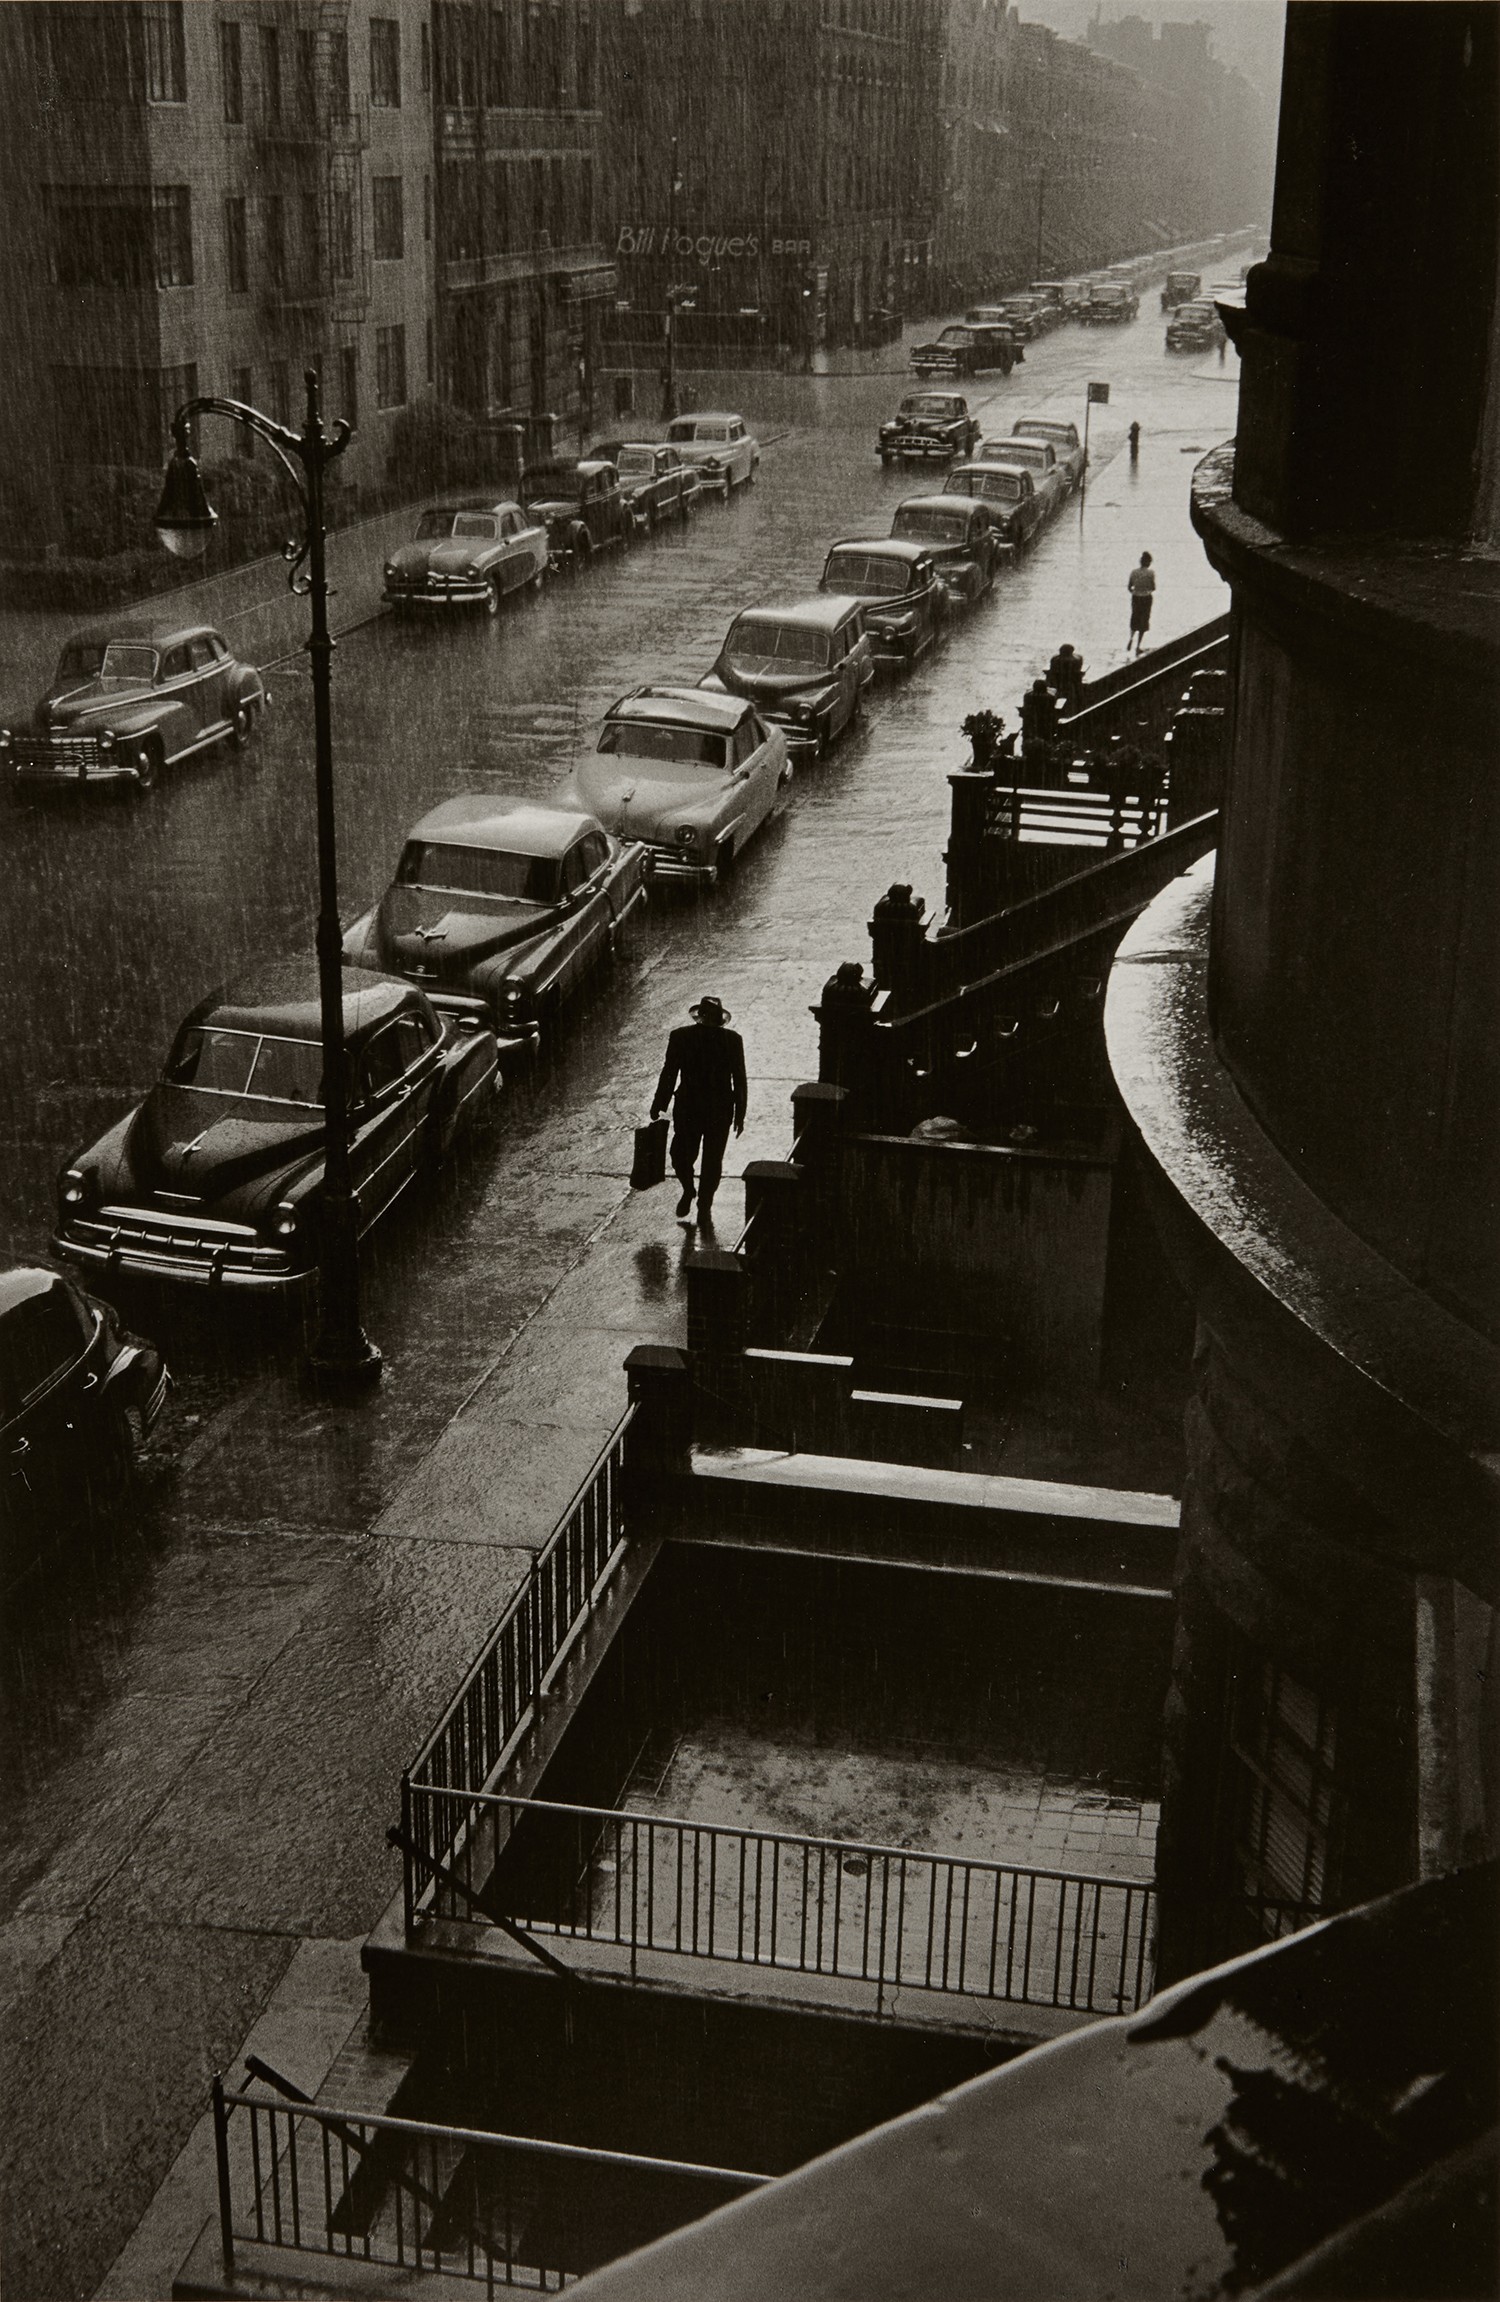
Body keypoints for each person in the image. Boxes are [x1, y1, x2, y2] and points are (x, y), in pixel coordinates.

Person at [651, 995, 747, 1227]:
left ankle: (699, 1199)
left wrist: (659, 1103)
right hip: (717, 1109)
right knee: (704, 1159)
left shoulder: (682, 1037)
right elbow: (740, 1080)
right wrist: (740, 1112)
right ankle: (697, 1196)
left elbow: (669, 1073)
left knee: (686, 1156)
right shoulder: (731, 1040)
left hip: (692, 1108)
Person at [1126, 551, 1156, 656]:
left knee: (1134, 617)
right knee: (1143, 621)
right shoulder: (1151, 573)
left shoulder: (1134, 572)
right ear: (1148, 562)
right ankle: (1138, 646)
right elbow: (1153, 587)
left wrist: (1135, 591)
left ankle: (1130, 638)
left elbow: (1129, 587)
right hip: (1146, 598)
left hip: (1136, 597)